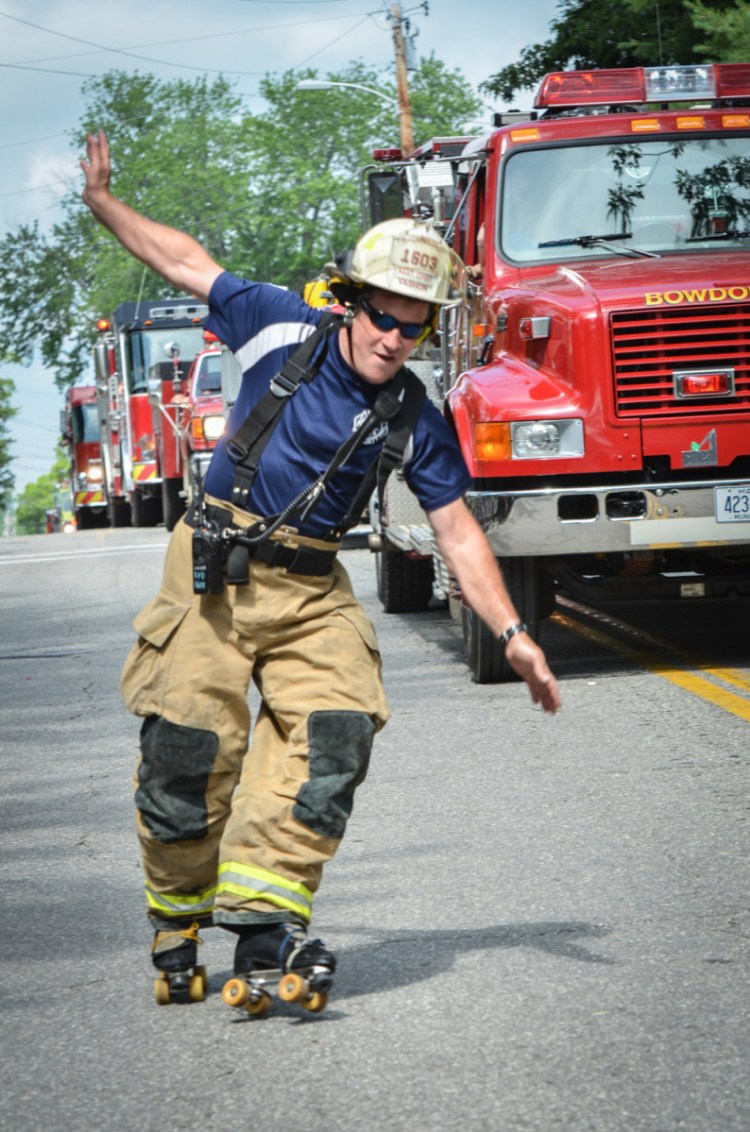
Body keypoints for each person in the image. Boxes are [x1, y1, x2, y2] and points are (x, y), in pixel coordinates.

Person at [81, 131, 561, 1005]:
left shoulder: (415, 413)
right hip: (211, 572)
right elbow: (187, 261)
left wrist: (515, 634)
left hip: (310, 589)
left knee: (337, 728)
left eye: (415, 325)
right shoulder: (276, 326)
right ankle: (177, 916)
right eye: (384, 316)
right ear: (352, 304)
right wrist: (105, 204)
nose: (395, 337)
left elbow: (455, 531)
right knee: (188, 749)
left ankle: (265, 924)